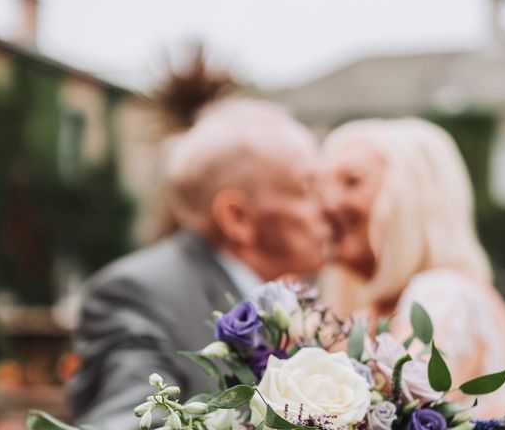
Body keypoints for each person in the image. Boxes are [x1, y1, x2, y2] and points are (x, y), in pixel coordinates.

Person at [68, 97, 327, 430]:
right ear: (237, 218)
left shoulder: (290, 302)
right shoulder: (138, 293)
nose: (329, 206)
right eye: (307, 188)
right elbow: (129, 419)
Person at [319, 118, 505, 417]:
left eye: (352, 181)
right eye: (323, 186)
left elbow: (388, 414)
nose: (326, 204)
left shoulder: (443, 294)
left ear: (413, 197)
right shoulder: (371, 311)